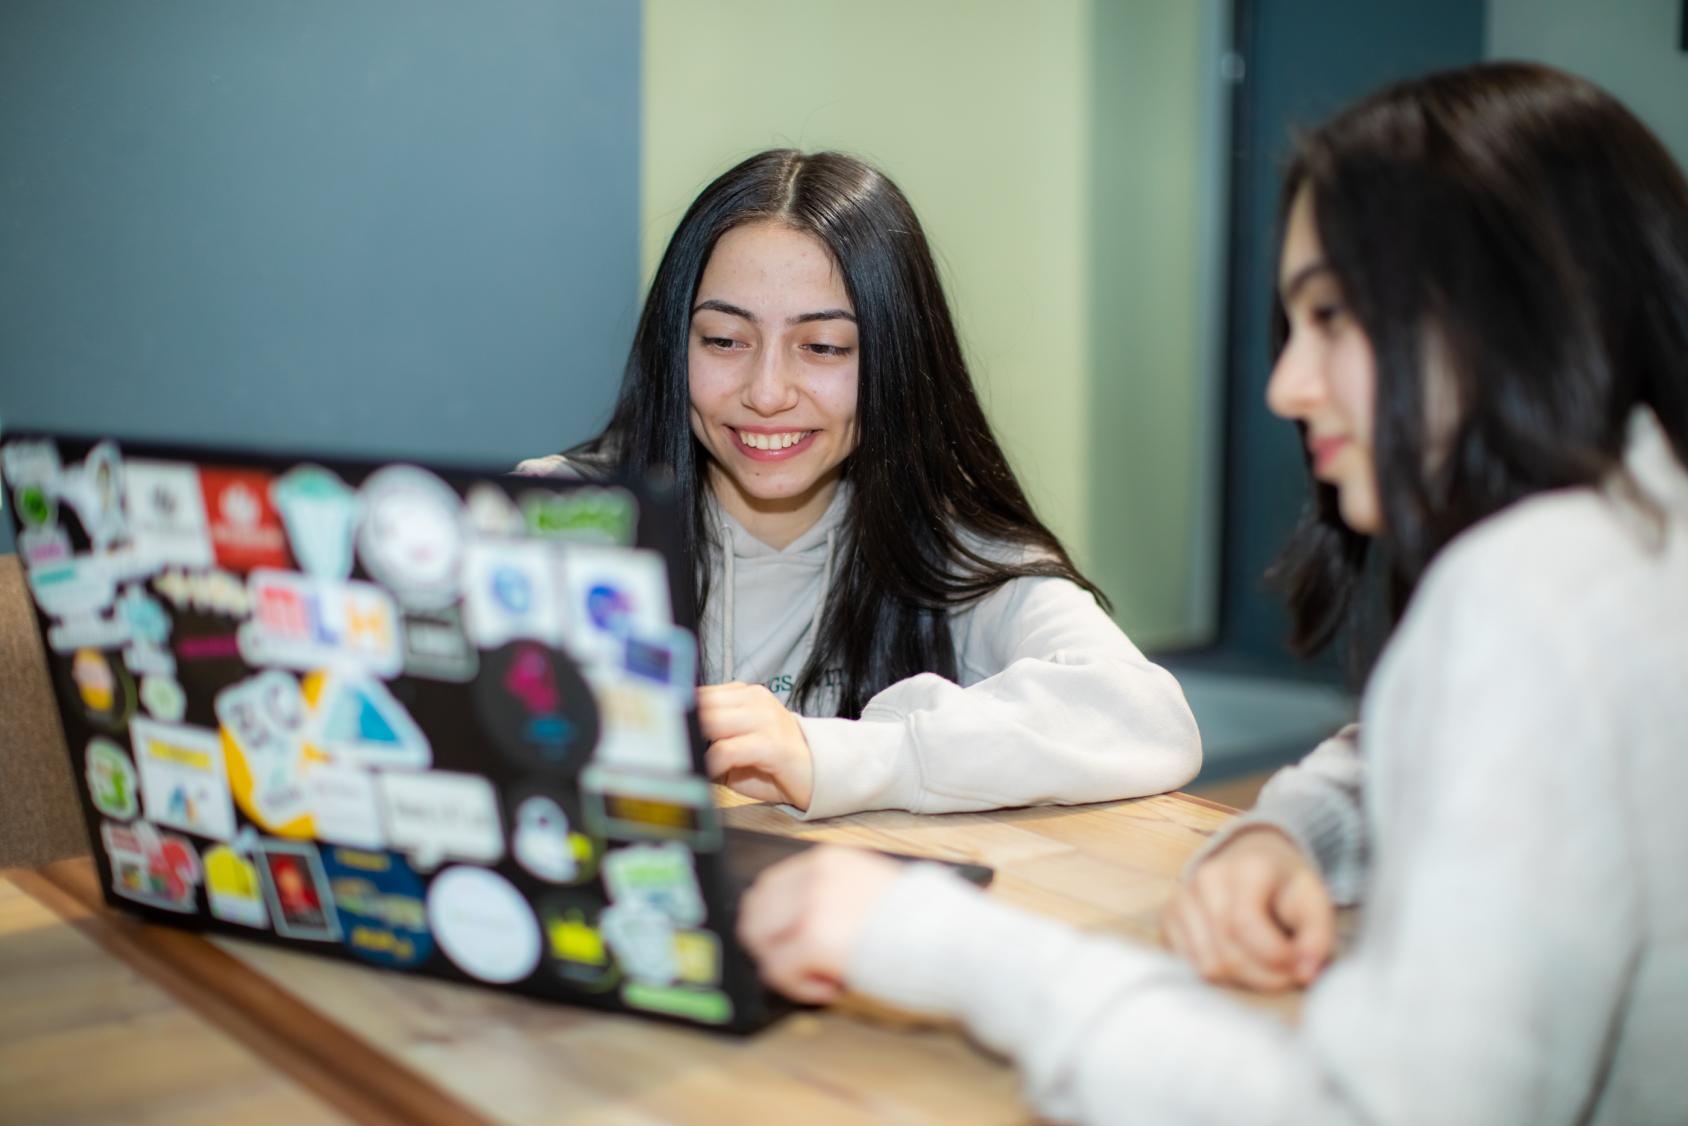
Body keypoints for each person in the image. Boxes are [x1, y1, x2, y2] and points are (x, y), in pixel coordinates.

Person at [738, 62, 1688, 1123]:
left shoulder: (1524, 599)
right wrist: (1290, 831)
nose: (1287, 384)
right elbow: (1404, 756)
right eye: (724, 338)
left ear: (1512, 305)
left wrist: (938, 945)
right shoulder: (1630, 545)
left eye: (1332, 316)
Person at [518, 150, 1200, 818]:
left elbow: (1147, 718)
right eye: (725, 340)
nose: (766, 393)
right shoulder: (566, 518)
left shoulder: (946, 544)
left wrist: (840, 755)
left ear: (896, 361)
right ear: (677, 345)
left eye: (823, 348)